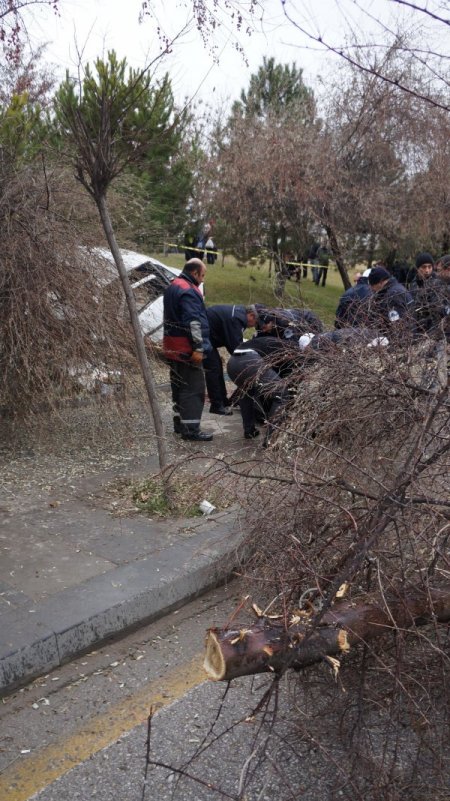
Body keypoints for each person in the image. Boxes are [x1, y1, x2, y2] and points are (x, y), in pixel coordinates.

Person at [163, 258, 213, 441]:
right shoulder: (189, 291)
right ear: (194, 273)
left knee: (178, 387)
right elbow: (193, 322)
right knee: (193, 389)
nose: (202, 280)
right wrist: (198, 348)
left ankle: (180, 423)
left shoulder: (173, 286)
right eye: (202, 275)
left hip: (171, 346)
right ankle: (191, 430)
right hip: (186, 349)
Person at [227, 342, 290, 444]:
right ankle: (271, 440)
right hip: (249, 361)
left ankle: (249, 430)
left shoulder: (271, 341)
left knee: (246, 392)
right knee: (281, 393)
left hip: (232, 363)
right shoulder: (288, 345)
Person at [204, 304, 258, 414]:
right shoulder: (237, 318)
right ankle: (216, 405)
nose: (253, 326)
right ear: (251, 315)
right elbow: (235, 346)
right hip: (204, 337)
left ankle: (223, 401)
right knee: (213, 369)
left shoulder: (238, 313)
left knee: (217, 367)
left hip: (208, 335)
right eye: (255, 323)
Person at [366, 265, 413, 337]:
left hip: (404, 341)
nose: (372, 290)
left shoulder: (393, 296)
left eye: (373, 286)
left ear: (381, 282)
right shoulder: (398, 288)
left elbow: (397, 326)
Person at [409, 252, 444, 334]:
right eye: (423, 267)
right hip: (418, 327)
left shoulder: (437, 283)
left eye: (429, 267)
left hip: (433, 329)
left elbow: (437, 311)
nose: (427, 270)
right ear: (418, 268)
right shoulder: (414, 283)